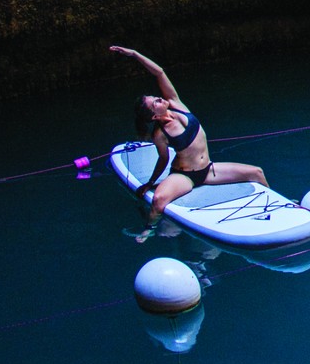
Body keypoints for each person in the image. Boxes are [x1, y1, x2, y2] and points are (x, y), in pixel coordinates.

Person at [111, 45, 268, 241]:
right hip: (185, 176)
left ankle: (276, 207)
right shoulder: (159, 134)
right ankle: (149, 229)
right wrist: (151, 183)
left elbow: (159, 72)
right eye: (155, 102)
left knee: (256, 172)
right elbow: (163, 159)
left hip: (208, 170)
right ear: (154, 117)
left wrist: (134, 54)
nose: (159, 98)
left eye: (156, 97)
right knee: (159, 200)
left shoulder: (176, 103)